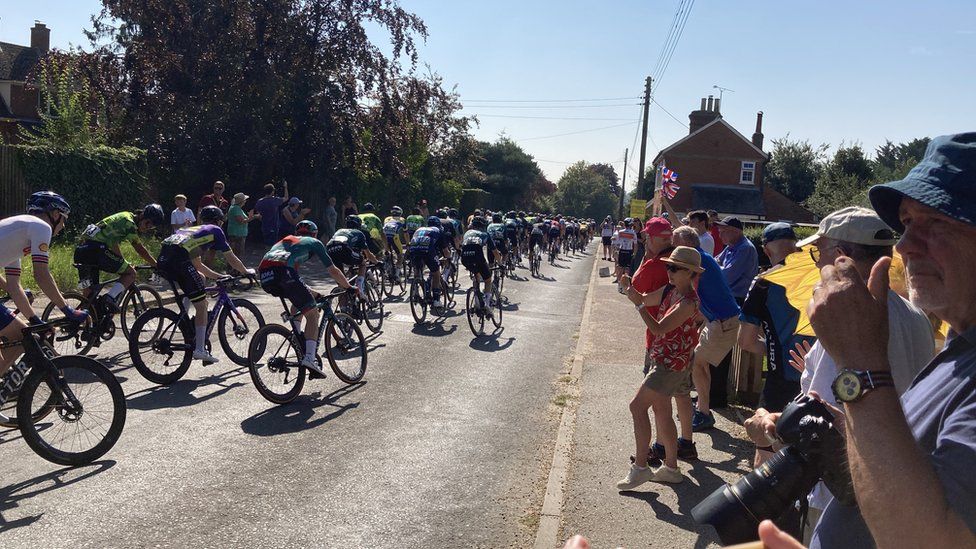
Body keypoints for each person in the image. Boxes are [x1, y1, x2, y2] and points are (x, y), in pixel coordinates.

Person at [759, 133, 976, 548]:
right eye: (908, 223)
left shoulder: (864, 327)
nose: (906, 246)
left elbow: (931, 540)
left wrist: (858, 360)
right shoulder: (956, 347)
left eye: (936, 222)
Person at [748, 207, 934, 544]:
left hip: (842, 492)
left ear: (841, 255)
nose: (818, 263)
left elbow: (817, 428)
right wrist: (814, 365)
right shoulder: (914, 314)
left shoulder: (845, 317)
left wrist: (767, 429)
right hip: (903, 486)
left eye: (820, 252)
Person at [617, 246, 703, 490]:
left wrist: (640, 306)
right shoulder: (670, 290)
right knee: (662, 411)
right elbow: (642, 297)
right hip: (663, 359)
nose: (669, 271)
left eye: (674, 268)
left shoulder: (688, 302)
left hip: (670, 365)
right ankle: (671, 468)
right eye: (668, 266)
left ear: (690, 273)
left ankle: (641, 467)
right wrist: (629, 288)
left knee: (637, 406)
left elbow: (658, 328)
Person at [738, 223, 815, 470]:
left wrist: (773, 349)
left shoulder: (763, 283)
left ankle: (766, 508)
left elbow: (746, 341)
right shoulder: (820, 273)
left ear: (767, 251)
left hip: (782, 379)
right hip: (820, 376)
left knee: (768, 452)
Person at [0, 192, 88, 381]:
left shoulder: (18, 232)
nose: (63, 226)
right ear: (55, 214)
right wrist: (67, 309)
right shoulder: (41, 227)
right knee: (18, 338)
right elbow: (41, 275)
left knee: (13, 338)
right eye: (64, 220)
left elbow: (14, 287)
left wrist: (33, 319)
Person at [156, 205, 253, 364]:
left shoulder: (193, 231)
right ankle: (200, 350)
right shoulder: (215, 230)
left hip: (163, 260)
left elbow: (198, 266)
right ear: (220, 221)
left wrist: (220, 276)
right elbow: (231, 258)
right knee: (202, 305)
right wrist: (245, 271)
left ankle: (184, 318)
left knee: (199, 278)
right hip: (179, 261)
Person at [258, 220, 354, 374]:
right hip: (283, 273)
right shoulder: (314, 242)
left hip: (264, 275)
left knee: (299, 302)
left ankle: (297, 338)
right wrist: (349, 287)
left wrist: (314, 294)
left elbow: (296, 281)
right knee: (313, 314)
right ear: (314, 234)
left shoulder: (286, 242)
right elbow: (333, 270)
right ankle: (309, 357)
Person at [669, 226, 741, 432]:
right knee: (700, 363)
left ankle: (704, 413)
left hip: (723, 322)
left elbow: (690, 294)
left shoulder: (697, 262)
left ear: (689, 244)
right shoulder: (702, 258)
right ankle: (702, 406)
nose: (673, 248)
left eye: (676, 243)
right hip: (717, 320)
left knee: (697, 363)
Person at [74, 205, 165, 315]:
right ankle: (109, 298)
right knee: (131, 273)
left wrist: (122, 260)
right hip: (96, 251)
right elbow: (139, 248)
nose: (147, 227)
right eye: (147, 223)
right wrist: (155, 264)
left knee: (89, 295)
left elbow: (113, 243)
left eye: (151, 227)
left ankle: (78, 322)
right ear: (142, 216)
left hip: (81, 251)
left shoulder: (123, 215)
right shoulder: (129, 223)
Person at [325, 216, 379, 296]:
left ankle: (343, 307)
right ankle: (359, 286)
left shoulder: (340, 230)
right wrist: (377, 263)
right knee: (362, 262)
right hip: (343, 248)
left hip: (329, 249)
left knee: (342, 284)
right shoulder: (359, 233)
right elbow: (368, 254)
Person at [407, 216, 452, 302]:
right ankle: (436, 300)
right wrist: (449, 258)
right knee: (436, 274)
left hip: (413, 250)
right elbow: (445, 250)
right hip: (427, 250)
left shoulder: (420, 229)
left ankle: (416, 290)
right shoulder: (439, 231)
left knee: (418, 270)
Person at [715, 216, 759, 300]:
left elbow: (727, 277)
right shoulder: (731, 246)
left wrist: (716, 268)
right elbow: (715, 261)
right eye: (719, 232)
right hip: (728, 295)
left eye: (723, 232)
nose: (720, 236)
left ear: (736, 232)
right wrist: (720, 267)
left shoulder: (745, 248)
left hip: (738, 299)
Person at [460, 216, 502, 304]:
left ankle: (476, 300)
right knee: (487, 280)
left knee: (477, 276)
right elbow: (495, 252)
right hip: (478, 257)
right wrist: (500, 264)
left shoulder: (467, 233)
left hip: (464, 258)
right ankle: (486, 303)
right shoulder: (485, 234)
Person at [255, 182, 288, 246]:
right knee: (272, 246)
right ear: (272, 191)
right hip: (274, 226)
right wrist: (285, 187)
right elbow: (286, 198)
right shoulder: (275, 200)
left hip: (264, 226)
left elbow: (259, 215)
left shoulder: (260, 201)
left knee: (266, 244)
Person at [227, 192, 256, 258]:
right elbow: (241, 221)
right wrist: (252, 218)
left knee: (235, 253)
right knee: (238, 253)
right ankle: (235, 268)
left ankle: (232, 267)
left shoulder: (235, 208)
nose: (245, 201)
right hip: (237, 234)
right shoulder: (236, 208)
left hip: (237, 233)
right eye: (244, 200)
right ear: (241, 201)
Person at [613, 219, 638, 292]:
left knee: (620, 268)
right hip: (629, 251)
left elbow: (617, 243)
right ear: (630, 225)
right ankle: (625, 286)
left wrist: (615, 251)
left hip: (621, 251)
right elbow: (635, 244)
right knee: (627, 269)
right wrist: (635, 254)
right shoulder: (633, 233)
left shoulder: (620, 232)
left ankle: (619, 285)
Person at [383, 206, 409, 271]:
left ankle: (385, 265)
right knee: (400, 255)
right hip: (394, 237)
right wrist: (407, 243)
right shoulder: (402, 219)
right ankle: (397, 273)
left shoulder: (387, 219)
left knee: (386, 252)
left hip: (384, 237)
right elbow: (405, 233)